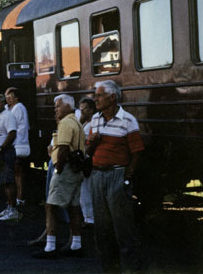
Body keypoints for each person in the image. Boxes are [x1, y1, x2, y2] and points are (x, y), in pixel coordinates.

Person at [87, 80, 144, 272]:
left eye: (100, 95)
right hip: (97, 175)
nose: (95, 99)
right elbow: (88, 150)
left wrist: (127, 176)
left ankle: (130, 270)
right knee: (102, 229)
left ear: (112, 97)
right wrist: (92, 143)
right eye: (95, 95)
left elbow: (137, 151)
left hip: (116, 174)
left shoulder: (128, 120)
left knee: (122, 227)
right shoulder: (95, 119)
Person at [33, 94, 85, 259]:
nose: (55, 109)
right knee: (74, 207)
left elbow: (62, 148)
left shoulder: (65, 123)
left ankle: (50, 246)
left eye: (58, 106)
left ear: (68, 107)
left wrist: (58, 167)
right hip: (77, 169)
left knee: (51, 206)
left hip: (66, 169)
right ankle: (76, 244)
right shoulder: (76, 121)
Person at [0, 94, 18, 221]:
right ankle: (9, 206)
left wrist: (2, 148)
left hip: (5, 152)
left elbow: (12, 133)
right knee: (4, 182)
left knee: (8, 181)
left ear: (3, 103)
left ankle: (13, 209)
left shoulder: (8, 116)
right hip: (0, 151)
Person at [5, 87, 31, 207]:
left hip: (19, 144)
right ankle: (18, 198)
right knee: (16, 173)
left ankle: (20, 198)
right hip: (16, 145)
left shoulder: (19, 108)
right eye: (7, 97)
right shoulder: (12, 108)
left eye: (10, 97)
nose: (8, 99)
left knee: (18, 173)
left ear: (16, 98)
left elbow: (11, 125)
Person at [78, 97, 96, 227]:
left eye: (83, 109)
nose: (81, 111)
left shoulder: (93, 123)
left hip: (88, 160)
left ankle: (89, 219)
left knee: (86, 190)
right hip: (85, 159)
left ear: (91, 109)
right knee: (84, 190)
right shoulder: (85, 123)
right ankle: (88, 217)